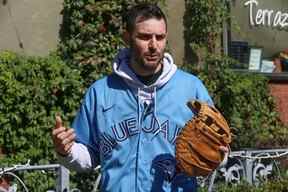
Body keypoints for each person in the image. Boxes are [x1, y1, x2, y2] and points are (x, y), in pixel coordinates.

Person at [52, 3, 219, 192]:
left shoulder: (191, 89)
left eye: (160, 37)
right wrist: (65, 151)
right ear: (127, 38)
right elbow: (88, 156)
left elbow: (216, 146)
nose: (154, 45)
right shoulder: (101, 92)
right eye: (145, 37)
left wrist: (218, 154)